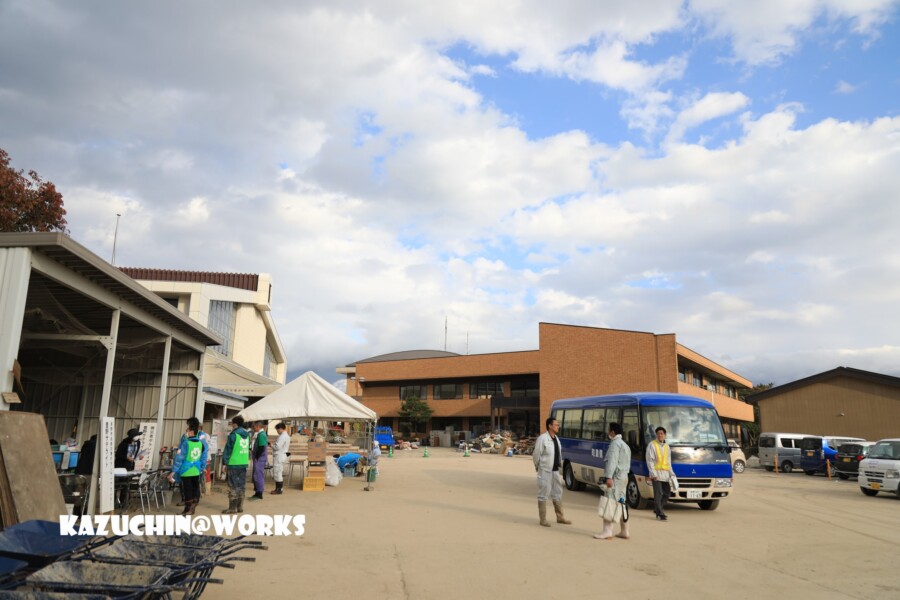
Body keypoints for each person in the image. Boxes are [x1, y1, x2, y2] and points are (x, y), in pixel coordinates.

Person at [532, 417, 571, 527]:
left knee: (558, 493)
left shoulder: (556, 439)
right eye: (556, 425)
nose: (558, 426)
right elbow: (536, 454)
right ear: (549, 426)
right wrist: (538, 467)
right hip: (545, 470)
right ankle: (543, 519)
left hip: (555, 470)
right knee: (543, 494)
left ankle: (560, 517)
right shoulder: (542, 438)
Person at [595, 422, 632, 540]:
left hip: (615, 478)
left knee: (609, 502)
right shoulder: (625, 445)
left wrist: (608, 477)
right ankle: (624, 530)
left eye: (608, 430)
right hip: (623, 478)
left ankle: (607, 531)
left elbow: (612, 462)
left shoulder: (615, 444)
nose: (607, 433)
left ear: (612, 432)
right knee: (622, 503)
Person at [169, 418, 208, 515]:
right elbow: (204, 455)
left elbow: (179, 457)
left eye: (187, 429)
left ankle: (188, 508)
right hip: (196, 469)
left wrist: (173, 471)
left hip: (186, 470)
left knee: (188, 489)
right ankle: (193, 506)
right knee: (195, 488)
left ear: (190, 430)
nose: (186, 431)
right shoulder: (200, 442)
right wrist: (203, 467)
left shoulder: (187, 442)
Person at [222, 416, 250, 514]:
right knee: (241, 485)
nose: (232, 425)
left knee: (232, 486)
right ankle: (240, 507)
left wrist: (224, 463)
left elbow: (228, 450)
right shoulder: (247, 435)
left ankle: (232, 508)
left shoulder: (233, 435)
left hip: (233, 463)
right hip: (243, 463)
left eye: (232, 423)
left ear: (235, 424)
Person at [647, 426, 673, 521]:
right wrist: (653, 474)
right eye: (658, 434)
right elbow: (650, 460)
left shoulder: (667, 446)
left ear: (665, 435)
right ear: (656, 435)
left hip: (665, 474)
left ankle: (658, 508)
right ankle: (660, 514)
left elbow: (668, 462)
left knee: (667, 493)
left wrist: (671, 473)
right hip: (656, 474)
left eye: (662, 434)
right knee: (658, 494)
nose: (660, 435)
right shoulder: (652, 445)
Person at [249, 421, 268, 501]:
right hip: (259, 457)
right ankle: (257, 492)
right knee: (256, 475)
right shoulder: (260, 434)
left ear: (257, 427)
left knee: (258, 475)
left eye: (254, 427)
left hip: (260, 458)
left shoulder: (261, 435)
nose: (253, 429)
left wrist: (256, 456)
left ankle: (259, 492)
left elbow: (262, 448)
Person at [271, 422, 290, 495]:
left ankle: (278, 489)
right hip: (282, 455)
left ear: (281, 428)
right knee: (279, 471)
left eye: (277, 430)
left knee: (277, 472)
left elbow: (277, 447)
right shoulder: (286, 436)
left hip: (279, 455)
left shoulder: (282, 436)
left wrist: (271, 445)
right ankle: (279, 488)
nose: (277, 431)